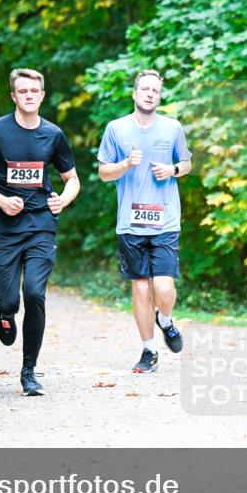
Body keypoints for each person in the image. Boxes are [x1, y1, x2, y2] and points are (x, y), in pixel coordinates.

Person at [0, 68, 80, 397]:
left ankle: (29, 371)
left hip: (41, 224)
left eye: (35, 91)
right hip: (4, 228)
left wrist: (63, 201)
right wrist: (1, 201)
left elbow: (72, 179)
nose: (29, 95)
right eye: (23, 91)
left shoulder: (53, 135)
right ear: (13, 96)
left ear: (42, 95)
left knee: (34, 293)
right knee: (11, 300)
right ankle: (5, 312)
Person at [97, 69, 192, 373]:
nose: (150, 94)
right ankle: (148, 350)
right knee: (140, 289)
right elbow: (103, 172)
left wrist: (173, 170)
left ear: (159, 96)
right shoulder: (116, 128)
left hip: (165, 220)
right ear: (135, 94)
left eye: (156, 90)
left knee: (163, 288)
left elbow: (187, 163)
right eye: (145, 89)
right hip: (130, 222)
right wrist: (125, 164)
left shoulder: (172, 127)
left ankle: (164, 319)